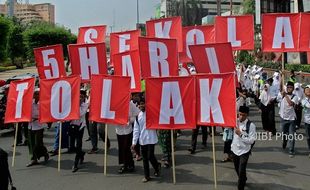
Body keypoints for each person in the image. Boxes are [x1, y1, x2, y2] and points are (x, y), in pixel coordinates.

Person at [131, 99, 161, 183]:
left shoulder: (152, 114)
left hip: (151, 139)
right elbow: (136, 130)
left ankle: (157, 167)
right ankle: (146, 176)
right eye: (140, 105)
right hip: (142, 140)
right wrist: (134, 142)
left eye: (143, 104)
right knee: (144, 159)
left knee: (150, 156)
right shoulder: (138, 117)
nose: (141, 106)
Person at [231, 106, 256, 190]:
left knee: (241, 170)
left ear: (247, 115)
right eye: (240, 114)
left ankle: (240, 187)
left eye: (244, 115)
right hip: (234, 150)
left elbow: (251, 140)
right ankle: (243, 179)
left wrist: (241, 134)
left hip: (244, 151)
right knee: (237, 169)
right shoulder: (234, 122)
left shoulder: (251, 125)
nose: (241, 117)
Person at [115, 100, 140, 174]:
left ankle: (130, 164)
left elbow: (137, 115)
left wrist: (129, 120)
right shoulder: (116, 104)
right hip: (119, 130)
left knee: (127, 147)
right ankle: (123, 164)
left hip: (128, 129)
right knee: (121, 147)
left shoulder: (130, 104)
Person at [27, 90, 49, 167]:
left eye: (37, 94)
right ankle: (34, 159)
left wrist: (36, 118)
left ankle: (45, 153)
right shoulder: (30, 103)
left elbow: (45, 113)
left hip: (39, 125)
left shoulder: (43, 103)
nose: (35, 95)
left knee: (38, 143)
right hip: (30, 125)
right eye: (34, 94)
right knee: (31, 143)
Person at [277, 81, 299, 157]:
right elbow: (280, 87)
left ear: (293, 88)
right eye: (288, 87)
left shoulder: (295, 97)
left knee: (291, 136)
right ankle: (284, 142)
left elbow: (290, 104)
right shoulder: (282, 94)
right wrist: (281, 76)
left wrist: (285, 95)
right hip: (283, 118)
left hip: (291, 119)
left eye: (291, 87)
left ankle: (291, 150)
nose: (289, 88)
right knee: (284, 134)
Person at [72, 90, 89, 172]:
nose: (80, 98)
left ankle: (75, 164)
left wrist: (77, 105)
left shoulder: (85, 105)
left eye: (81, 97)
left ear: (84, 98)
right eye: (78, 96)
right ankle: (81, 153)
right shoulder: (72, 104)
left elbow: (79, 114)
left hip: (80, 127)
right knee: (72, 146)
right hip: (72, 126)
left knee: (78, 144)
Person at [301, 86, 310, 158]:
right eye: (306, 90)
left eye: (309, 90)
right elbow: (308, 106)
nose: (308, 91)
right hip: (307, 122)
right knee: (308, 137)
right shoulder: (303, 100)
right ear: (304, 92)